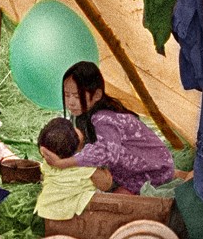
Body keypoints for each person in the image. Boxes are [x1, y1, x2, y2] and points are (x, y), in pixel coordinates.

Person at [40, 61, 175, 194]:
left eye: (77, 96)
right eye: (67, 95)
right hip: (133, 167)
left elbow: (106, 153)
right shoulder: (83, 114)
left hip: (152, 170)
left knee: (118, 199)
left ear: (97, 95)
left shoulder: (104, 118)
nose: (71, 102)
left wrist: (64, 163)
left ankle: (175, 176)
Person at [35, 118, 98, 220]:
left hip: (47, 213)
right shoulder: (85, 167)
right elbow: (106, 183)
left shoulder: (48, 164)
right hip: (81, 216)